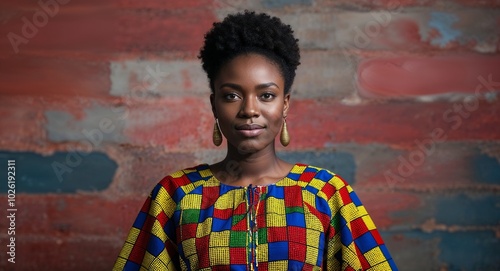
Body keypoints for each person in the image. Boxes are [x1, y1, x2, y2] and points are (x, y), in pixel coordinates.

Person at [113, 11, 398, 271]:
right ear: (214, 105)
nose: (249, 110)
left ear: (285, 104)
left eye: (266, 95)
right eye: (231, 96)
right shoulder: (175, 195)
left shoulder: (326, 194)